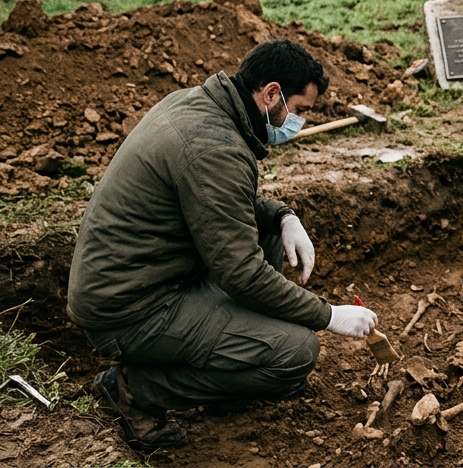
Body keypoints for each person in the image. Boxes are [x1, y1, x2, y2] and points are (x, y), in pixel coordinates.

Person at [67, 39, 378, 449]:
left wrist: (282, 216)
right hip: (129, 310)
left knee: (265, 231)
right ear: (271, 93)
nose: (298, 121)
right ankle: (135, 390)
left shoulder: (196, 104)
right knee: (296, 352)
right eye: (299, 110)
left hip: (137, 279)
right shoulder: (214, 147)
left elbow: (221, 201)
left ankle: (233, 369)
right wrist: (327, 315)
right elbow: (242, 274)